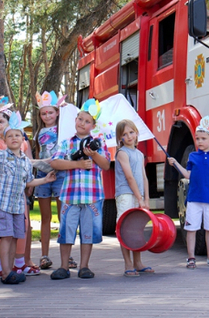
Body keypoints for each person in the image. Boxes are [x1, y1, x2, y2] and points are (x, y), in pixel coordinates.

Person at [0, 112, 56, 285]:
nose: (14, 138)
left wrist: (45, 180)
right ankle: (5, 273)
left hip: (18, 206)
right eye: (10, 136)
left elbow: (28, 182)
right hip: (3, 204)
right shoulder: (1, 155)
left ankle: (11, 270)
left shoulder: (25, 161)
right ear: (5, 140)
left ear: (23, 140)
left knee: (14, 237)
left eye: (17, 135)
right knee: (6, 237)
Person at [48, 99, 111, 280]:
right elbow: (55, 162)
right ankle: (64, 266)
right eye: (80, 119)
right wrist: (78, 164)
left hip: (92, 196)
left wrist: (94, 154)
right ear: (75, 120)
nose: (82, 123)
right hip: (70, 195)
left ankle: (84, 266)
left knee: (88, 232)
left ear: (93, 126)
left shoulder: (98, 143)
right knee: (66, 231)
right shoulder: (66, 143)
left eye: (87, 121)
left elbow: (106, 165)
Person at [166, 116, 209, 269]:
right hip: (194, 199)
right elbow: (188, 175)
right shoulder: (192, 156)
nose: (199, 141)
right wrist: (176, 163)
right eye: (197, 138)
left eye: (203, 138)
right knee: (191, 229)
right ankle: (191, 258)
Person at [114, 119, 153, 277]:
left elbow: (144, 178)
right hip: (126, 194)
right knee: (125, 227)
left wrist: (146, 199)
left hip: (139, 195)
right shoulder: (122, 153)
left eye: (131, 132)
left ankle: (138, 262)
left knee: (137, 228)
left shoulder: (139, 154)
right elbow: (129, 177)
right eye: (125, 134)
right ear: (120, 138)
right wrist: (139, 197)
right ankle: (128, 263)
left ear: (137, 133)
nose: (129, 136)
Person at [33, 90, 67, 270]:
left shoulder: (64, 129)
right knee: (45, 217)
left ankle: (66, 256)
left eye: (50, 112)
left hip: (61, 174)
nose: (47, 116)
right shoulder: (38, 132)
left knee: (64, 216)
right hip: (43, 175)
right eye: (44, 113)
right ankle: (44, 255)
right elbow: (39, 153)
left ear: (57, 112)